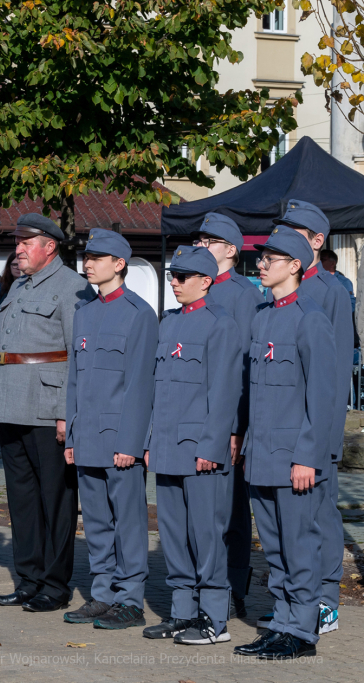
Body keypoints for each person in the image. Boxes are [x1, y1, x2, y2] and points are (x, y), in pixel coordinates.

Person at [232, 227, 335, 661]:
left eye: (270, 259)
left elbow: (324, 396)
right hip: (262, 457)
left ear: (295, 266)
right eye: (261, 258)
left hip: (296, 458)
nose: (260, 264)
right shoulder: (262, 315)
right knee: (275, 549)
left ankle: (302, 631)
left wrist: (308, 456)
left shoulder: (310, 318)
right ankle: (281, 622)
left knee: (300, 547)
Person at [0, 214, 93, 611]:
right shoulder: (19, 287)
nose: (19, 249)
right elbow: (4, 352)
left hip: (48, 410)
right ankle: (28, 578)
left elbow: (77, 356)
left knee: (56, 501)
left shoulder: (73, 288)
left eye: (26, 242)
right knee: (22, 501)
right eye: (18, 242)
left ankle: (55, 584)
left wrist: (68, 412)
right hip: (11, 405)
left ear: (50, 246)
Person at [142, 246, 242, 645]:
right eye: (173, 276)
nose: (175, 283)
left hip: (201, 450)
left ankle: (214, 618)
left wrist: (211, 447)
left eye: (183, 277)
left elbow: (224, 393)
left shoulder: (221, 325)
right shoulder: (167, 324)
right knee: (174, 535)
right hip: (167, 447)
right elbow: (155, 390)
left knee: (207, 536)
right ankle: (183, 613)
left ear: (207, 281)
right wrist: (150, 440)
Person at [63, 228, 156, 629]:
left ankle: (131, 599)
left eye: (98, 257)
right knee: (97, 522)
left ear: (119, 264)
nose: (88, 263)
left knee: (129, 523)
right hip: (87, 438)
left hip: (120, 440)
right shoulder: (84, 312)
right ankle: (102, 594)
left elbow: (141, 385)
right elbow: (74, 380)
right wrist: (70, 435)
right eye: (87, 256)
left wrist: (131, 443)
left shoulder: (139, 315)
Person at [271, 201, 351, 635]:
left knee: (320, 518)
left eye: (295, 232)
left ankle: (325, 601)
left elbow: (334, 375)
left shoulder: (330, 292)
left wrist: (327, 440)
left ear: (317, 243)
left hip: (317, 434)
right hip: (284, 432)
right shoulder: (279, 292)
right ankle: (294, 603)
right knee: (292, 524)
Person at [191, 213, 265, 619]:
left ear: (232, 250)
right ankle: (199, 584)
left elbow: (243, 368)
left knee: (232, 510)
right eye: (199, 238)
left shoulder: (243, 295)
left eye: (210, 240)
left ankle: (234, 587)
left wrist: (237, 427)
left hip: (228, 418)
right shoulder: (193, 289)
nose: (202, 244)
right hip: (192, 414)